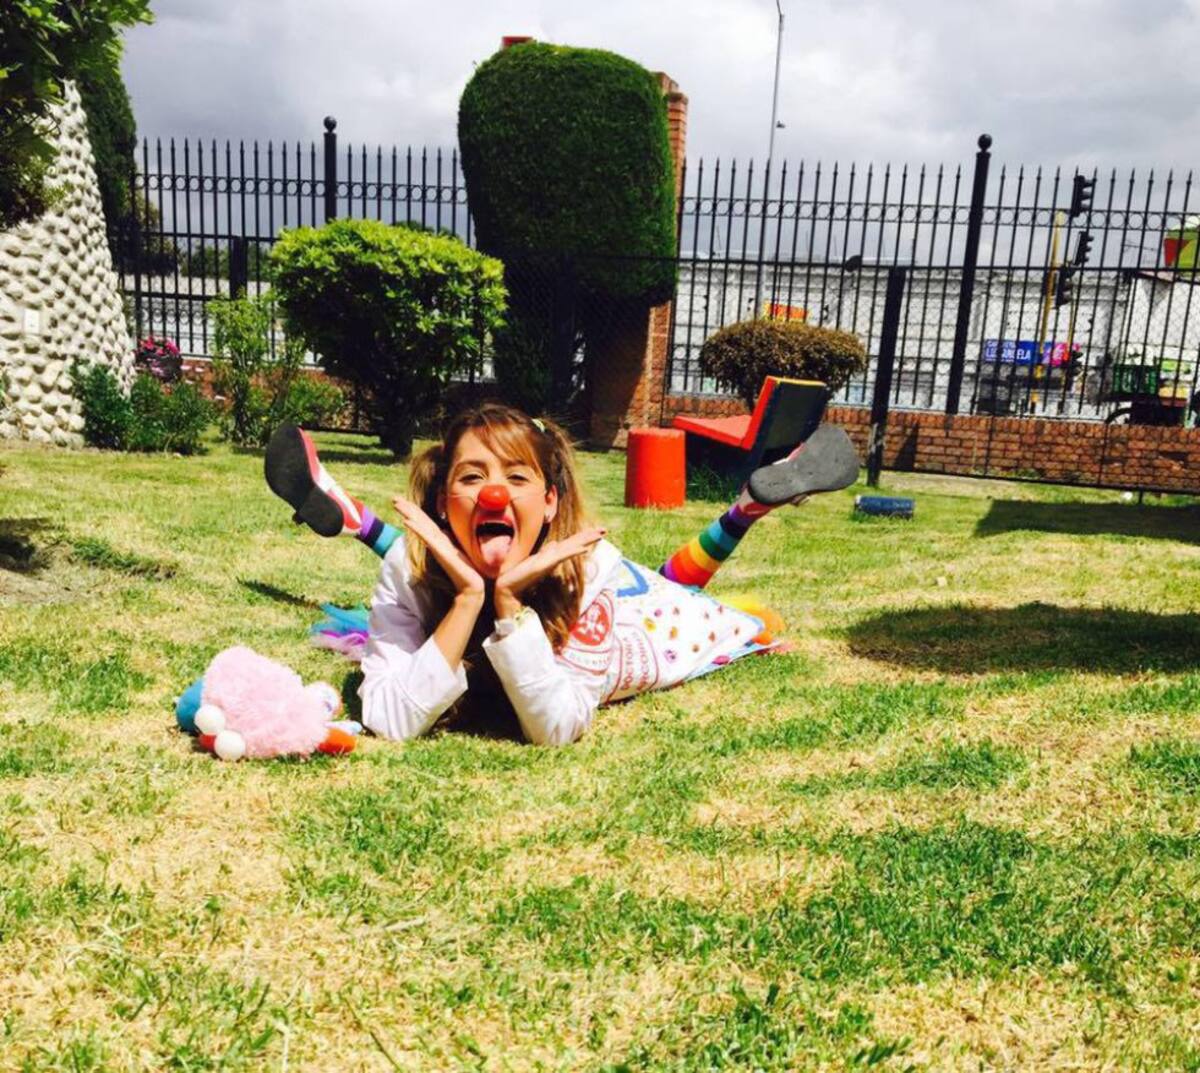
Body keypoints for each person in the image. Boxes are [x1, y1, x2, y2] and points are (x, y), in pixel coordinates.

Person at [264, 404, 859, 746]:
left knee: (681, 595)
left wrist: (507, 604)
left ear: (550, 502)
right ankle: (744, 510)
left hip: (646, 619)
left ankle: (354, 516)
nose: (493, 493)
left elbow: (555, 727)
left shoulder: (590, 570)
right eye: (470, 477)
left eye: (516, 478)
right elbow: (390, 720)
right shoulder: (410, 565)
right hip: (481, 563)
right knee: (445, 563)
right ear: (442, 501)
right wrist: (471, 597)